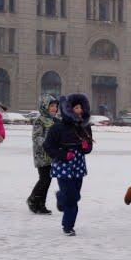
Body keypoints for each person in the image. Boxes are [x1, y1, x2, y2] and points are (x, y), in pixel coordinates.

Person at [43, 93, 94, 236]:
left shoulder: (85, 127)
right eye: (77, 108)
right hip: (63, 166)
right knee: (72, 198)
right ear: (69, 109)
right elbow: (48, 146)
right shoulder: (58, 128)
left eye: (81, 108)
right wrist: (63, 155)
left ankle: (61, 197)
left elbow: (89, 147)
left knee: (75, 196)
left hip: (78, 165)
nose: (80, 111)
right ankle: (68, 226)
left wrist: (85, 147)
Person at [27, 94, 59, 214]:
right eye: (51, 106)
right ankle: (33, 199)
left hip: (51, 155)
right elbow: (36, 137)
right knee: (44, 179)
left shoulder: (55, 121)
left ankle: (41, 204)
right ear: (45, 106)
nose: (54, 108)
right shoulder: (39, 121)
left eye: (56, 106)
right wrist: (47, 143)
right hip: (41, 155)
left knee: (48, 179)